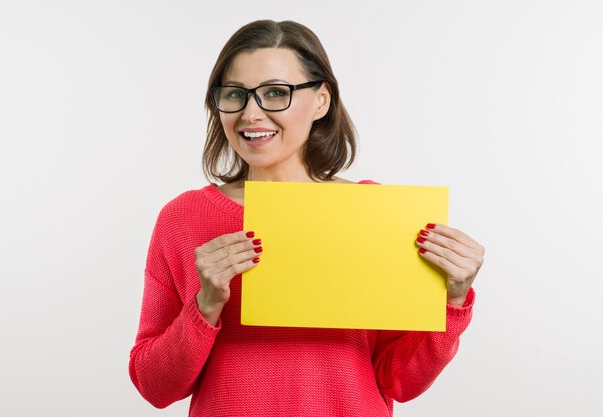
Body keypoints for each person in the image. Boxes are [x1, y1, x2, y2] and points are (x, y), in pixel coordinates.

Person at [129, 19, 484, 416]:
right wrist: (206, 305)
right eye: (235, 94)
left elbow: (400, 381)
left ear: (321, 100)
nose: (250, 113)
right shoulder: (183, 218)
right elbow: (154, 386)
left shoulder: (376, 213)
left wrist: (452, 301)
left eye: (276, 93)